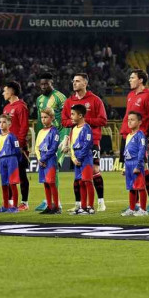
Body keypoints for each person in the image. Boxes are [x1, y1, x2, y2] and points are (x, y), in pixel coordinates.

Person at [62, 74, 108, 212]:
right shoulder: (69, 101)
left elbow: (103, 120)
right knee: (78, 173)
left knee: (94, 170)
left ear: (85, 83)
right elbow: (64, 121)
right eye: (73, 81)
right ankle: (79, 204)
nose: (74, 83)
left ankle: (100, 202)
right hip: (75, 143)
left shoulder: (95, 100)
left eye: (78, 81)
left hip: (92, 141)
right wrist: (75, 122)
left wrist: (85, 121)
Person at [118, 69, 149, 210]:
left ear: (140, 80)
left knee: (143, 169)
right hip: (127, 136)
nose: (129, 80)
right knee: (131, 170)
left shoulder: (148, 96)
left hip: (139, 138)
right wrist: (124, 132)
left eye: (132, 77)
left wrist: (146, 135)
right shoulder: (130, 95)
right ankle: (134, 205)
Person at [33, 73, 69, 212]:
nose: (43, 86)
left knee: (54, 166)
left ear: (51, 83)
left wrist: (66, 137)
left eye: (46, 84)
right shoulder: (39, 99)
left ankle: (56, 203)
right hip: (45, 135)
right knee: (50, 168)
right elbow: (39, 119)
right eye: (41, 84)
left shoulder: (60, 97)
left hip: (59, 134)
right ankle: (52, 202)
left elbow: (66, 117)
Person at [1, 81, 30, 210]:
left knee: (22, 174)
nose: (3, 93)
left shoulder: (21, 107)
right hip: (7, 147)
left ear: (12, 91)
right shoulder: (6, 108)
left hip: (18, 147)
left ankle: (24, 202)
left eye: (5, 90)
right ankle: (11, 202)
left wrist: (20, 145)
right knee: (8, 175)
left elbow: (24, 126)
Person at [68, 104, 96, 215]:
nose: (71, 116)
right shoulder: (74, 129)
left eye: (73, 114)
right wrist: (73, 158)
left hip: (86, 158)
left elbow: (88, 144)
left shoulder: (86, 128)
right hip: (77, 158)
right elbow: (71, 145)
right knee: (80, 183)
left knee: (88, 181)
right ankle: (83, 207)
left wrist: (79, 158)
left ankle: (90, 207)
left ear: (80, 115)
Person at [121, 112, 148, 217]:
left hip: (136, 162)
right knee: (131, 187)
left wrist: (139, 165)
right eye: (128, 119)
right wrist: (124, 167)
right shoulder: (128, 135)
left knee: (140, 187)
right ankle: (132, 208)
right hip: (128, 164)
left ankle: (143, 209)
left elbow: (142, 150)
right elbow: (126, 151)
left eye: (132, 119)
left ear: (139, 122)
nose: (130, 121)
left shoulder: (140, 135)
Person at [35, 108, 61, 214]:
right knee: (45, 183)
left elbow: (53, 148)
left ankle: (56, 207)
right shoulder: (40, 131)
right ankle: (49, 206)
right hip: (42, 160)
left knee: (51, 183)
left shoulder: (55, 132)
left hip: (50, 160)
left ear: (52, 118)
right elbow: (36, 147)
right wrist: (39, 159)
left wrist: (43, 159)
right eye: (42, 117)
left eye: (45, 117)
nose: (43, 119)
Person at [0, 114, 22, 213]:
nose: (1, 124)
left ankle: (15, 207)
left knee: (12, 183)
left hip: (11, 159)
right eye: (0, 122)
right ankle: (5, 206)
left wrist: (17, 160)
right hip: (2, 160)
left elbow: (17, 149)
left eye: (4, 122)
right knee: (4, 184)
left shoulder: (12, 136)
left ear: (9, 124)